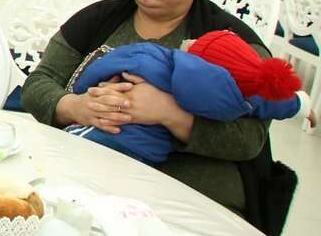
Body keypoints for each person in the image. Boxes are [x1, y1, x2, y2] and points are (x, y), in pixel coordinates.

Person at [21, 0, 272, 213]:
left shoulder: (232, 44)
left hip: (189, 195)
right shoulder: (99, 19)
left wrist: (170, 114)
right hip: (90, 174)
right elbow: (39, 83)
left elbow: (249, 140)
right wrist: (77, 107)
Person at [64, 29, 303, 164]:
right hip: (148, 154)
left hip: (109, 130)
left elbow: (108, 63)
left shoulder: (155, 60)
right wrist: (301, 103)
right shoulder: (244, 98)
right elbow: (277, 102)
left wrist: (83, 91)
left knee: (68, 157)